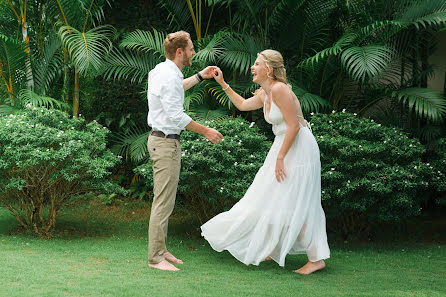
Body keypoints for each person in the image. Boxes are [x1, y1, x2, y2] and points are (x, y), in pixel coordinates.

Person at [201, 49, 330, 274]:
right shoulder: (266, 92)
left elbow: (295, 126)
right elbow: (242, 105)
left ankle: (316, 258)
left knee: (296, 199)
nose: (252, 67)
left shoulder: (280, 89)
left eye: (257, 64)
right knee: (269, 193)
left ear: (269, 69)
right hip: (283, 145)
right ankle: (272, 247)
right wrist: (222, 83)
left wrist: (281, 157)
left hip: (299, 148)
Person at [147, 31, 223, 272]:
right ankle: (155, 258)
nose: (193, 52)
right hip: (166, 143)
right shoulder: (167, 76)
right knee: (163, 203)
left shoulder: (164, 71)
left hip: (164, 142)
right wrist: (206, 131)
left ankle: (161, 249)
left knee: (165, 202)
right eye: (190, 49)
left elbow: (177, 87)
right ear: (179, 52)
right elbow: (175, 115)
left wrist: (200, 76)